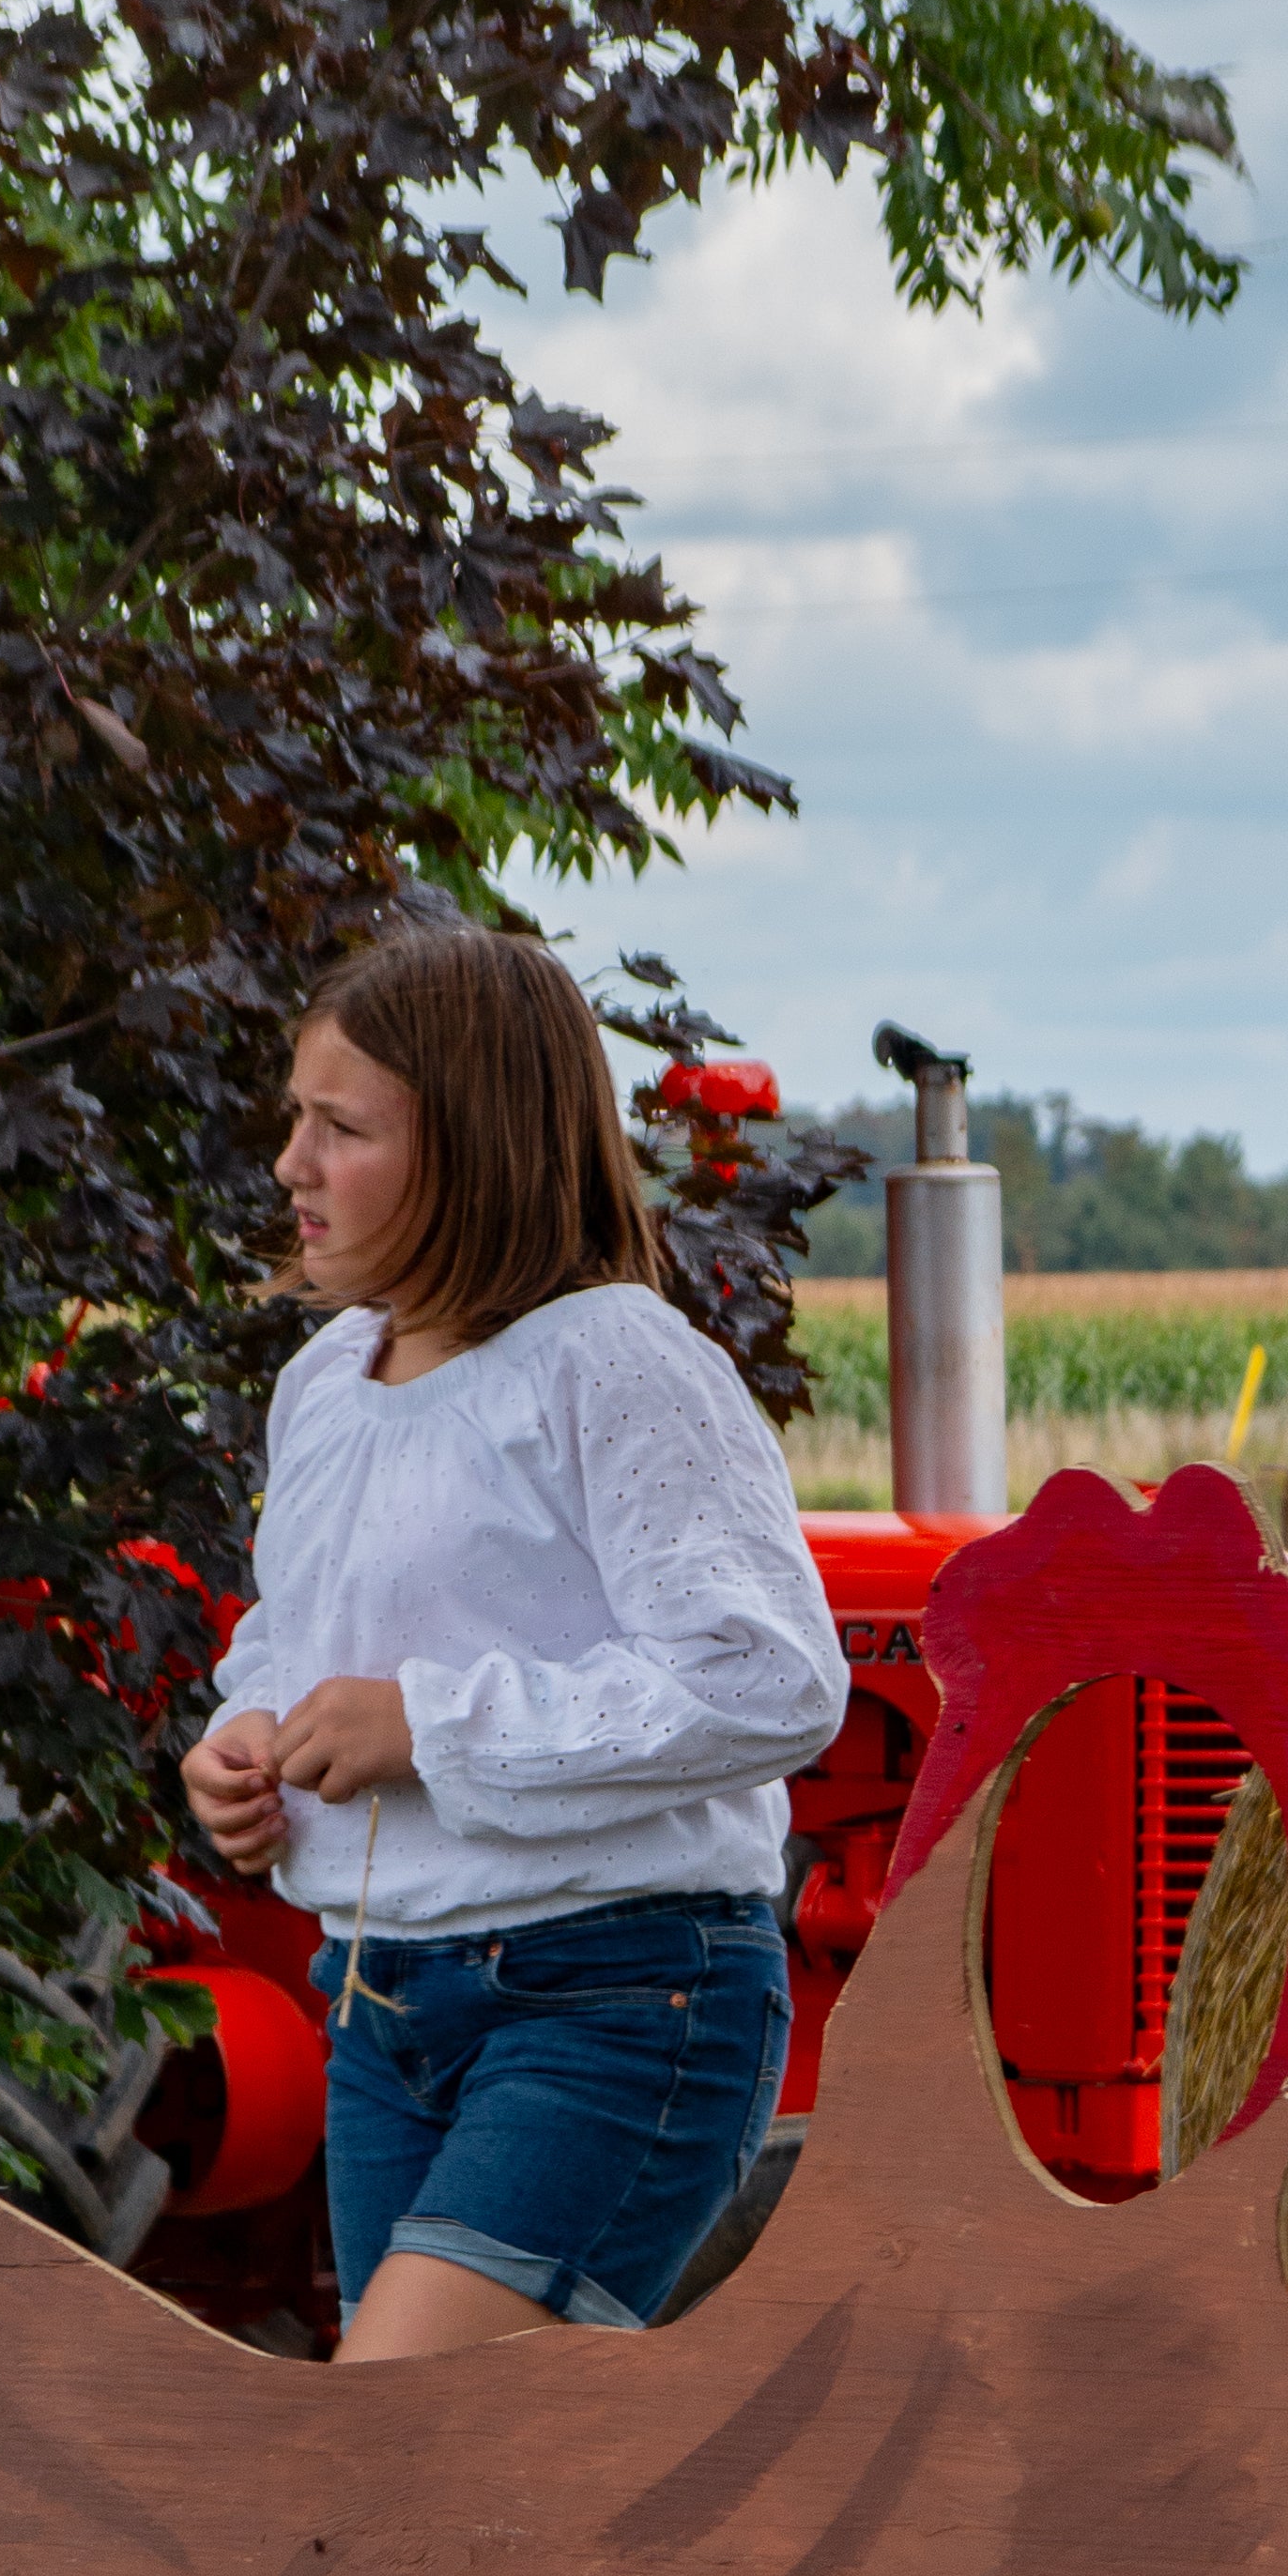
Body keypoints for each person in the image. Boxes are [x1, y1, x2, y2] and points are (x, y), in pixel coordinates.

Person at [174, 928, 847, 2359]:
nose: (290, 1164)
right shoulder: (325, 1383)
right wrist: (246, 1741)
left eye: (341, 1127)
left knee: (395, 2439)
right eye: (295, 1119)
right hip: (379, 2002)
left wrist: (424, 1728)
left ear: (472, 1151)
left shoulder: (617, 1364)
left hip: (617, 1997)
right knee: (454, 2478)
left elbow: (772, 1677)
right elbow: (298, 1632)